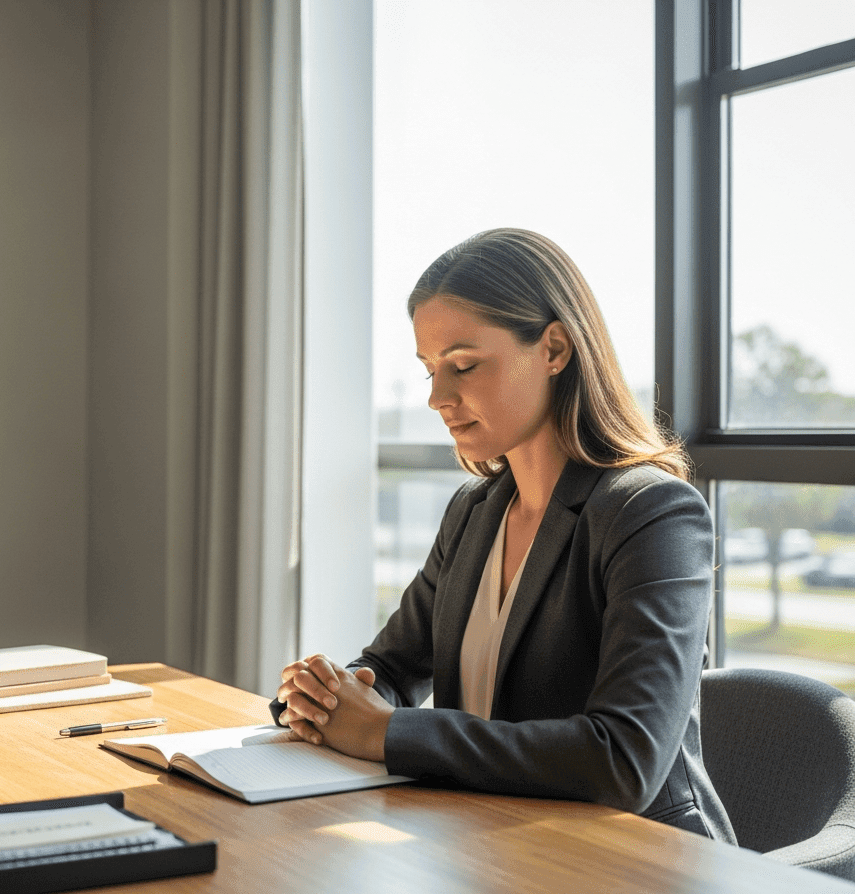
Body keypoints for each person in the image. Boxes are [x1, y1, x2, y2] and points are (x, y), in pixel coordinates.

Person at [272, 228, 735, 843]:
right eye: (429, 369)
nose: (437, 397)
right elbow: (391, 666)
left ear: (555, 349)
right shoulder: (476, 511)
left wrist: (382, 732)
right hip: (494, 843)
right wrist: (327, 698)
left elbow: (626, 758)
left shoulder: (651, 513)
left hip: (639, 860)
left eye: (463, 365)